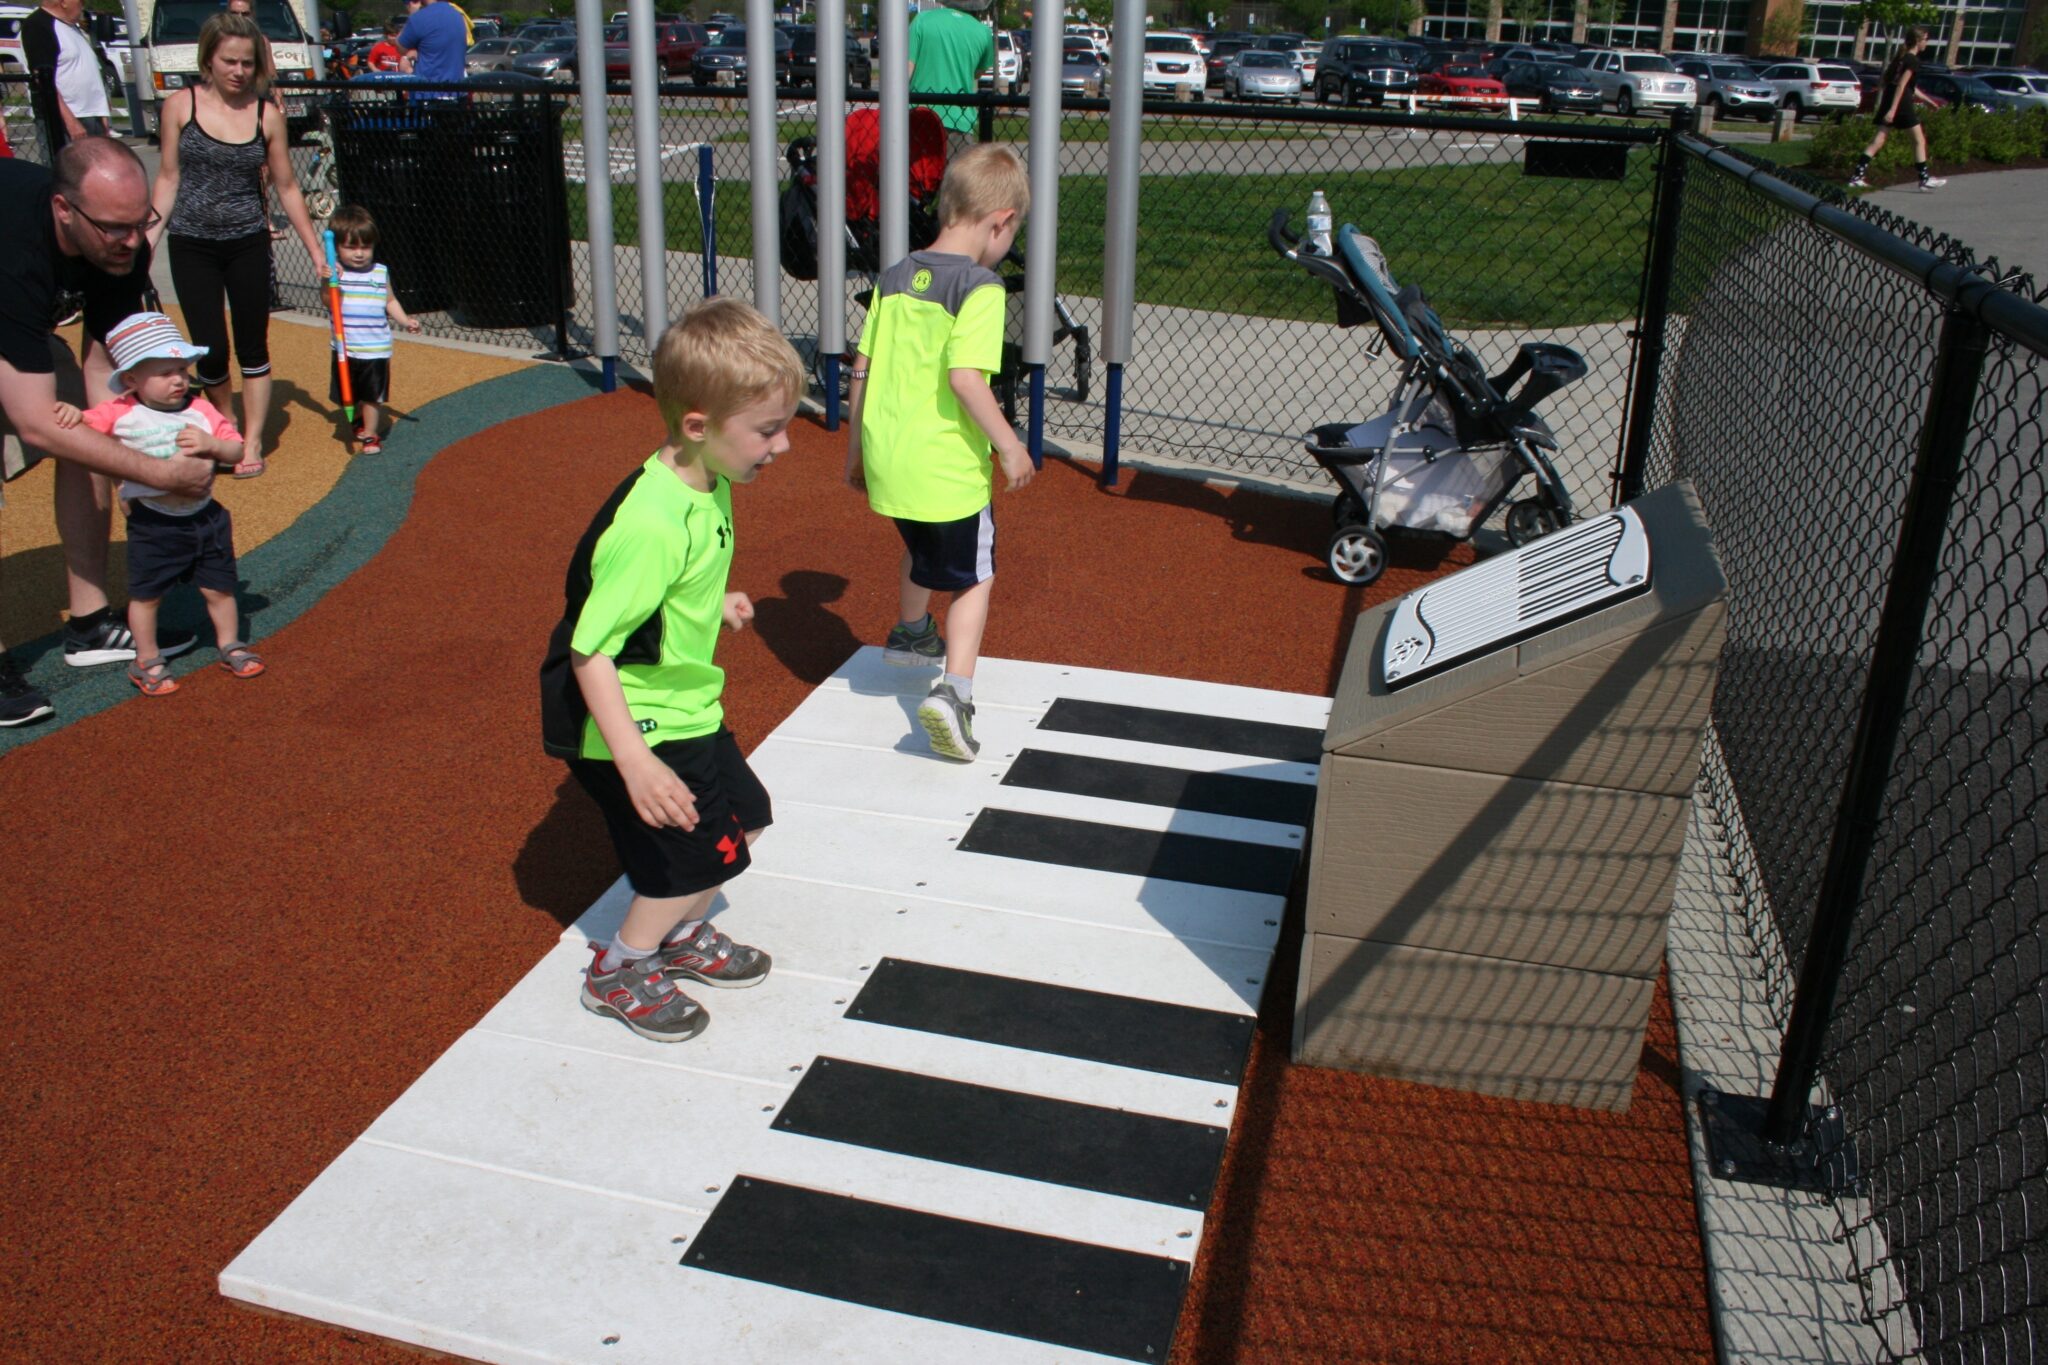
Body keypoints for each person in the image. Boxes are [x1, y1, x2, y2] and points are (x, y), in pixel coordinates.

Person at [539, 298, 803, 1043]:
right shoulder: (651, 524)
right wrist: (633, 761)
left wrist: (712, 602)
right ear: (698, 425)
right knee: (687, 860)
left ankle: (679, 938)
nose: (783, 446)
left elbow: (676, 581)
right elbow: (590, 649)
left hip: (684, 703)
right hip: (637, 718)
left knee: (745, 817)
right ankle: (620, 966)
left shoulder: (708, 481)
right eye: (768, 429)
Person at [0, 138, 216, 727]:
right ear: (63, 210)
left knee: (88, 432)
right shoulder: (14, 250)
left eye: (138, 222)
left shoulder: (122, 247)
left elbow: (102, 378)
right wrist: (161, 473)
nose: (130, 239)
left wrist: (131, 455)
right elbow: (34, 423)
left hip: (17, 322)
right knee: (53, 423)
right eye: (113, 228)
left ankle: (90, 620)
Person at [844, 143, 1033, 763]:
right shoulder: (981, 286)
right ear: (1000, 221)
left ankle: (910, 631)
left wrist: (854, 450)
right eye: (1012, 232)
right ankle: (955, 692)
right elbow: (965, 378)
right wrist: (1009, 445)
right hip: (946, 465)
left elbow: (861, 371)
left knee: (919, 540)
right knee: (976, 575)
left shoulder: (896, 275)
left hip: (888, 458)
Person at [146, 12, 325, 479]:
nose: (239, 71)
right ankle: (224, 423)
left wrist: (315, 251)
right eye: (229, 61)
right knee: (208, 347)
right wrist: (146, 240)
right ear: (208, 58)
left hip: (247, 242)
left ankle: (252, 438)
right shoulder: (179, 106)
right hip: (192, 242)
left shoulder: (267, 114)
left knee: (253, 344)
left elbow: (287, 187)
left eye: (247, 63)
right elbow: (168, 177)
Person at [70, 311, 263, 695]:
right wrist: (70, 413)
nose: (178, 379)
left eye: (181, 369)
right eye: (164, 372)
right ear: (131, 380)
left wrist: (213, 445)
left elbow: (236, 447)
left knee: (219, 588)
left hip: (205, 518)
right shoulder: (121, 411)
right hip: (153, 523)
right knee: (146, 595)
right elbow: (83, 427)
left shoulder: (201, 410)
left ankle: (229, 643)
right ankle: (147, 659)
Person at [325, 204, 421, 455]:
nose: (359, 253)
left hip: (375, 348)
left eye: (365, 247)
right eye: (351, 247)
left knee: (372, 396)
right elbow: (327, 301)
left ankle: (371, 434)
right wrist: (327, 281)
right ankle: (357, 419)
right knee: (348, 394)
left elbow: (390, 300)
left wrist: (404, 320)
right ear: (336, 248)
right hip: (345, 347)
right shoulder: (336, 274)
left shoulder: (379, 272)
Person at [1849, 26, 1946, 193]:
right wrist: (1893, 110)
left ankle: (1856, 177)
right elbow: (1901, 86)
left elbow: (1908, 86)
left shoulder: (1901, 59)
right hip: (1901, 104)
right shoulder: (1912, 60)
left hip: (1891, 101)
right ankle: (1924, 179)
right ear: (1917, 41)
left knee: (1879, 139)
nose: (1926, 43)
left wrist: (1928, 101)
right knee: (1918, 140)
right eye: (1925, 40)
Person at [21, 0, 116, 153]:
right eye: (80, 1)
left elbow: (90, 73)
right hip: (66, 118)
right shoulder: (38, 25)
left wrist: (102, 116)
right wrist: (70, 121)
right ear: (64, 2)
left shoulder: (72, 28)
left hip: (91, 114)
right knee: (69, 172)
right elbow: (43, 78)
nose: (83, 5)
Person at [907, 0, 995, 155]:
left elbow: (906, 70)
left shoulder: (922, 20)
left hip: (919, 115)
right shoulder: (984, 33)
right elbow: (977, 72)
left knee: (914, 176)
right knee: (954, 177)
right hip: (959, 119)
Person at [398, 0, 470, 83]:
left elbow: (400, 47)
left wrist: (413, 14)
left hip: (430, 88)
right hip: (456, 86)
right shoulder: (457, 14)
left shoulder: (420, 18)